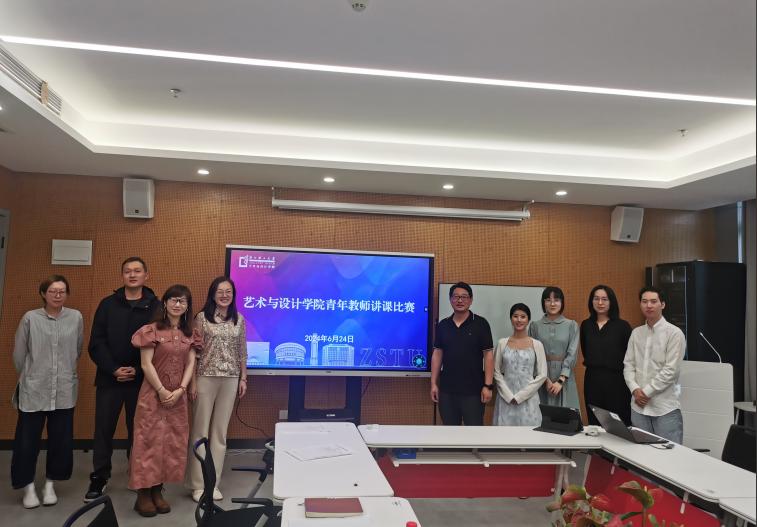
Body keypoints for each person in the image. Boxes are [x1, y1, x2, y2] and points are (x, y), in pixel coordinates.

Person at [85, 257, 160, 502]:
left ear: (146, 275)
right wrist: (114, 368)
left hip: (143, 381)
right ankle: (99, 476)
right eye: (127, 271)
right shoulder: (107, 304)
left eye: (137, 271)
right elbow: (96, 343)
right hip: (109, 379)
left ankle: (137, 474)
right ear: (122, 276)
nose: (132, 275)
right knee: (103, 430)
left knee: (139, 431)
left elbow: (160, 345)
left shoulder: (156, 306)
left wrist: (138, 370)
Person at [11, 276, 84, 508]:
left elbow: (77, 349)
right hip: (34, 389)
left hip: (63, 390)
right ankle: (28, 487)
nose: (57, 295)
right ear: (43, 293)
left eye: (62, 291)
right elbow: (19, 355)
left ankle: (50, 484)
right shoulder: (30, 318)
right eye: (52, 291)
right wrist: (33, 376)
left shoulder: (76, 317)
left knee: (60, 441)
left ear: (67, 294)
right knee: (26, 442)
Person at [129, 284, 200, 516]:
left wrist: (181, 390)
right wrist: (161, 390)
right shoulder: (150, 330)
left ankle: (158, 490)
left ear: (187, 306)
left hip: (177, 397)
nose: (178, 304)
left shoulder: (190, 334)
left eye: (183, 301)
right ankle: (143, 494)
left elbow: (191, 363)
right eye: (174, 300)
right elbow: (145, 364)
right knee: (147, 442)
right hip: (152, 395)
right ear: (165, 303)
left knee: (170, 443)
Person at [186, 277, 248, 502]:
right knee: (200, 431)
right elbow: (193, 351)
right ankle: (198, 485)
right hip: (205, 377)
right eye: (220, 291)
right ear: (212, 294)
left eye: (228, 291)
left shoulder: (239, 319)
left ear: (233, 295)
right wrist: (192, 382)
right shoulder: (202, 318)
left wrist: (243, 378)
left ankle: (213, 483)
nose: (224, 295)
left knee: (220, 434)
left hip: (230, 379)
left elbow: (242, 351)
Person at [623, 286, 686, 444]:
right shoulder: (636, 333)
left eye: (653, 301)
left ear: (662, 304)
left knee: (670, 455)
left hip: (664, 408)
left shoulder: (674, 333)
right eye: (644, 301)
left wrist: (645, 392)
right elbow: (628, 365)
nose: (648, 305)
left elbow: (670, 370)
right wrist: (635, 390)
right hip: (638, 408)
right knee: (641, 455)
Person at [430, 282, 494, 426]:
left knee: (474, 431)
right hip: (447, 391)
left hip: (474, 391)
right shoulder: (443, 325)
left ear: (471, 300)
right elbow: (437, 354)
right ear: (450, 299)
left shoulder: (481, 324)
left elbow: (488, 356)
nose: (460, 300)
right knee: (450, 432)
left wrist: (488, 386)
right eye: (456, 296)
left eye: (464, 297)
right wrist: (433, 383)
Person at [580, 285, 633, 426]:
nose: (600, 303)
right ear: (591, 301)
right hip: (592, 380)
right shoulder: (586, 325)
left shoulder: (623, 326)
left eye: (604, 299)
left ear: (611, 302)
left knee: (618, 423)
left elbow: (630, 357)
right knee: (595, 422)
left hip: (617, 381)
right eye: (596, 299)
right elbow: (586, 350)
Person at [492, 303, 547, 426]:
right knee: (504, 434)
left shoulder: (537, 344)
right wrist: (508, 395)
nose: (519, 320)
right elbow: (496, 371)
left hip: (529, 398)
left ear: (528, 320)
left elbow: (542, 374)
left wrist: (521, 396)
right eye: (515, 316)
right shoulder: (502, 343)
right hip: (506, 398)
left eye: (523, 316)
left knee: (529, 434)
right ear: (511, 319)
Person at [529, 286, 580, 410]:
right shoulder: (535, 326)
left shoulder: (571, 325)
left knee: (566, 415)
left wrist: (560, 381)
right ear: (543, 303)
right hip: (541, 377)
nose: (552, 304)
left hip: (565, 378)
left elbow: (572, 354)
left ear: (562, 302)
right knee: (542, 415)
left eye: (556, 300)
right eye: (548, 300)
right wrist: (545, 379)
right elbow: (532, 355)